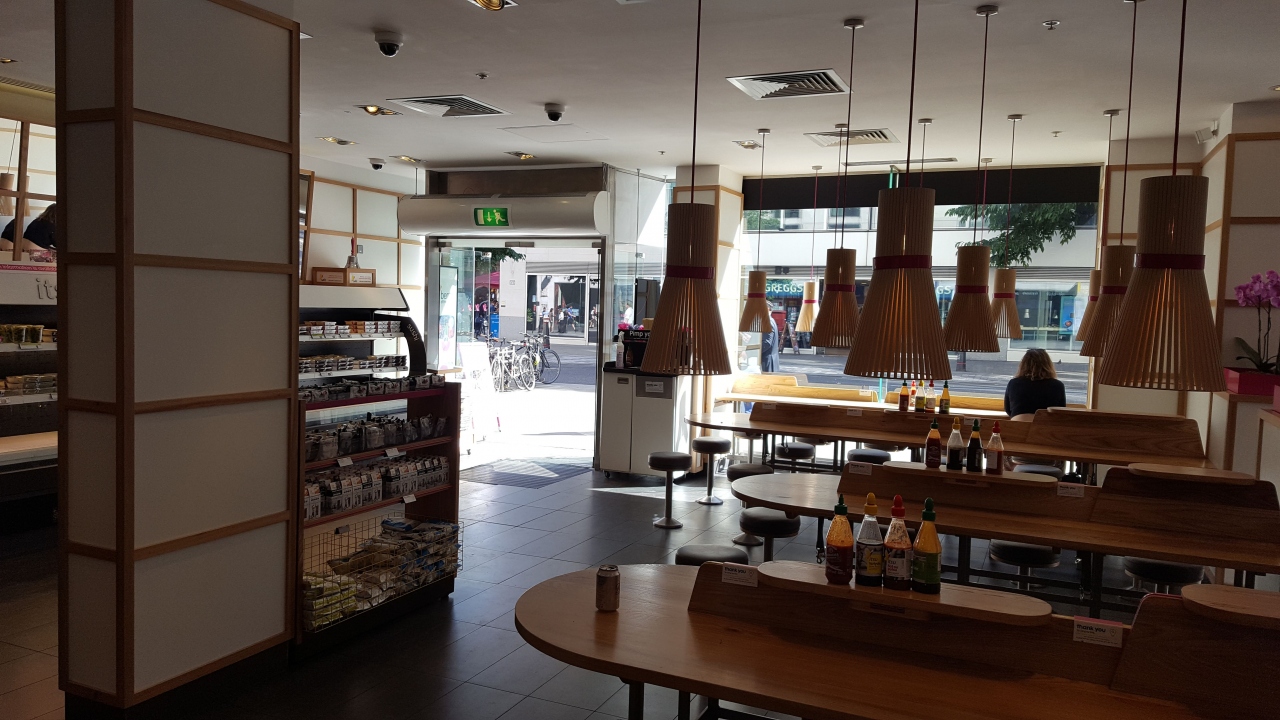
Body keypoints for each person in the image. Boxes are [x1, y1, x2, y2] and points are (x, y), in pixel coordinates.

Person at [1004, 349, 1066, 420]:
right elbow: (1061, 411)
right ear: (1048, 365)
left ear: (1023, 365)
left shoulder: (1013, 384)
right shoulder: (1057, 385)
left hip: (1018, 424)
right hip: (1045, 425)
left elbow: (1008, 409)